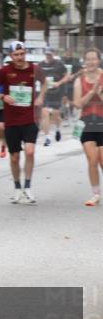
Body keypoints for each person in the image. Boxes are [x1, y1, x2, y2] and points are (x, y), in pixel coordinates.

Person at [0, 42, 48, 204]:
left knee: (29, 152)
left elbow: (45, 83)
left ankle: (27, 187)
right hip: (12, 120)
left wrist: (41, 96)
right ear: (11, 56)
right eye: (16, 55)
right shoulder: (5, 71)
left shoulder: (34, 69)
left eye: (22, 54)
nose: (20, 57)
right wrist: (2, 97)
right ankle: (17, 187)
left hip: (30, 119)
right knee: (14, 157)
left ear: (25, 52)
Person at [72, 48, 103, 207]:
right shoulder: (80, 80)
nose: (91, 62)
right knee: (92, 159)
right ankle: (96, 194)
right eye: (88, 59)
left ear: (99, 60)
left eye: (93, 59)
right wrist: (92, 92)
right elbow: (77, 104)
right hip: (87, 122)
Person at [38, 48, 71, 146]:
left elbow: (67, 76)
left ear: (53, 54)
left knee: (56, 114)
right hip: (45, 92)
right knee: (45, 113)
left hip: (57, 92)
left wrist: (59, 83)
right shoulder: (40, 65)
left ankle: (57, 129)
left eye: (50, 54)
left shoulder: (59, 64)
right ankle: (47, 137)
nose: (49, 56)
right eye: (47, 54)